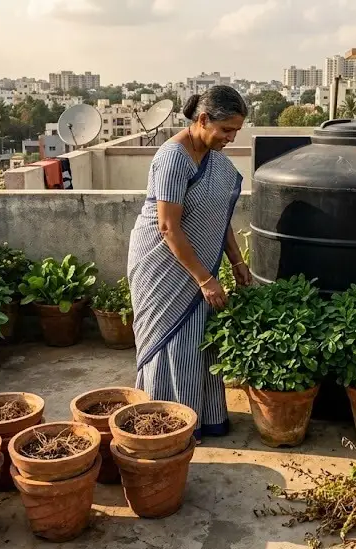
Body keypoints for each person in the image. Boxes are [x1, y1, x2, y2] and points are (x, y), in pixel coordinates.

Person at [128, 85, 251, 441]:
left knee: (198, 341)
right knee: (169, 345)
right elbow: (168, 227)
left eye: (235, 131)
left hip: (196, 267)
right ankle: (164, 427)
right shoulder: (172, 158)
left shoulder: (215, 162)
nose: (230, 138)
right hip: (162, 265)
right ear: (202, 120)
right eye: (226, 130)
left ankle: (202, 418)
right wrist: (204, 279)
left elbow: (217, 217)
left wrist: (237, 261)